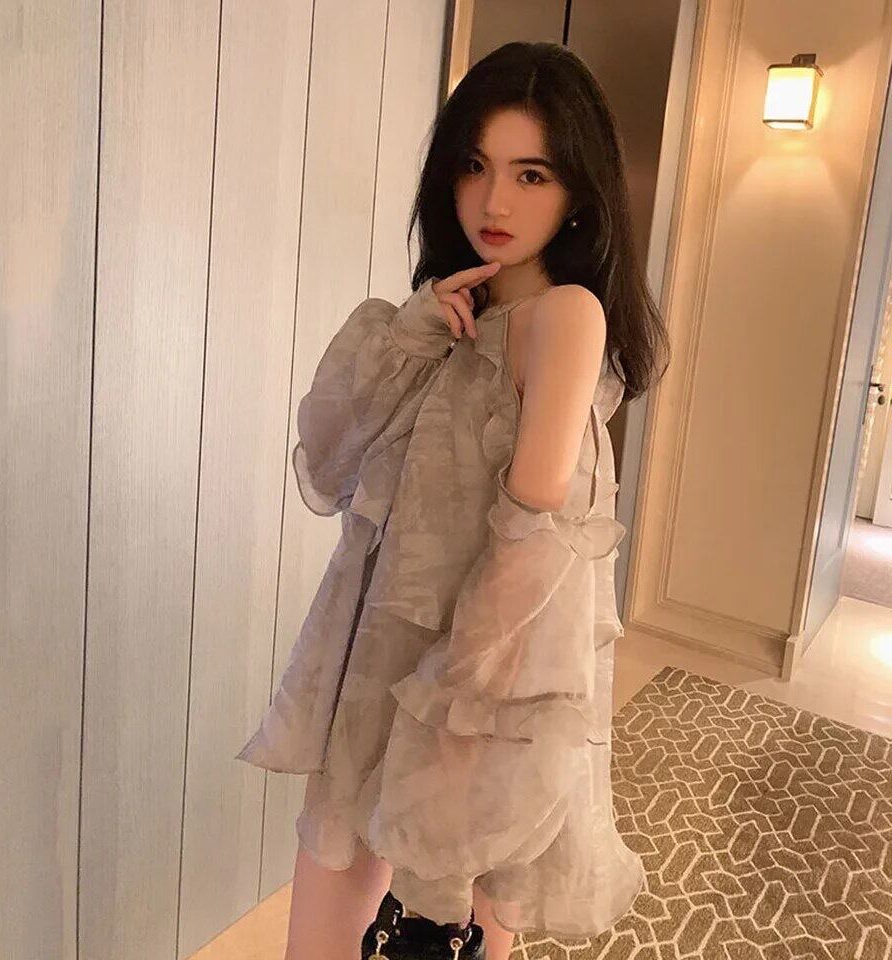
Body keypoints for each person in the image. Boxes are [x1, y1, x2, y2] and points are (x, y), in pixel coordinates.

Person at [236, 41, 670, 960]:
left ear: (579, 192)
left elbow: (532, 542)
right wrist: (412, 332)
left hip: (479, 689)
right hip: (378, 658)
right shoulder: (437, 322)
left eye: (530, 174)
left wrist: (452, 718)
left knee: (451, 922)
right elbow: (325, 461)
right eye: (475, 166)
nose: (494, 202)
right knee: (324, 930)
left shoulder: (566, 318)